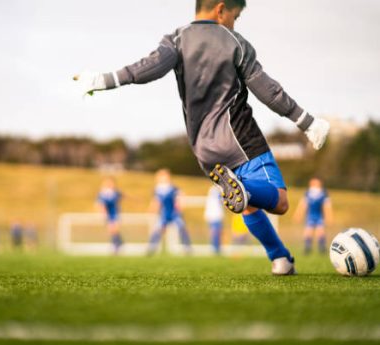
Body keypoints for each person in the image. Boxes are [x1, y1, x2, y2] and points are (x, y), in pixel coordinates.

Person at [73, 0, 330, 274]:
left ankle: (280, 259)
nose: (234, 23)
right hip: (240, 138)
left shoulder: (176, 39)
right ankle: (247, 193)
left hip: (204, 150)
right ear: (220, 10)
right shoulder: (235, 42)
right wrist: (306, 121)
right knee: (279, 201)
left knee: (247, 204)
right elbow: (268, 90)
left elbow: (146, 69)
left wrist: (102, 79)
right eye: (235, 16)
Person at [147, 169, 192, 255]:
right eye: (162, 177)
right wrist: (152, 209)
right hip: (164, 214)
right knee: (158, 230)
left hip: (174, 213)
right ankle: (151, 248)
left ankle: (187, 248)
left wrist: (180, 204)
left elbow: (181, 196)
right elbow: (155, 201)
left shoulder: (173, 188)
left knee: (182, 228)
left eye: (165, 176)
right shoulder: (157, 189)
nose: (164, 179)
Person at [294, 177, 333, 255]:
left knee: (320, 232)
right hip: (310, 215)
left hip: (319, 216)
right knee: (308, 232)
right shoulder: (307, 193)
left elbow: (327, 206)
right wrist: (298, 214)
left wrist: (329, 216)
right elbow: (303, 205)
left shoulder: (324, 193)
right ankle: (307, 248)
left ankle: (322, 249)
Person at [97, 177, 124, 254]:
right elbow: (101, 204)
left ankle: (117, 245)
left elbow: (121, 197)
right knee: (112, 231)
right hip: (108, 215)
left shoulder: (116, 192)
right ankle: (118, 243)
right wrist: (103, 213)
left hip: (115, 214)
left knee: (115, 229)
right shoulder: (102, 194)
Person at [204, 186, 225, 254]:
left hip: (214, 215)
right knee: (215, 233)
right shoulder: (216, 190)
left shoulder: (213, 190)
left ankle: (216, 248)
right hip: (215, 216)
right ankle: (216, 249)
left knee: (216, 233)